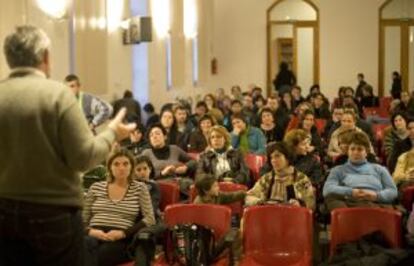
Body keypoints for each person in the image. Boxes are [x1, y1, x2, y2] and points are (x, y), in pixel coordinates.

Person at [0, 25, 136, 266]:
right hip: (53, 214)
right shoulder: (57, 95)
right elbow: (83, 157)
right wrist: (112, 132)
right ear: (45, 57)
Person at [84, 149, 155, 266]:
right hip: (93, 234)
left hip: (121, 239)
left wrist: (123, 233)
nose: (121, 168)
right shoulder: (96, 187)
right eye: (116, 164)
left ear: (131, 166)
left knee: (100, 255)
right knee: (84, 247)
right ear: (110, 168)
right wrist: (90, 231)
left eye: (125, 164)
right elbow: (83, 219)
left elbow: (150, 219)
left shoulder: (140, 188)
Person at [323, 131, 398, 211]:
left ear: (366, 152)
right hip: (348, 202)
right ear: (348, 151)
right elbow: (327, 189)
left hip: (374, 202)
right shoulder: (338, 170)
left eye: (360, 149)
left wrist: (376, 195)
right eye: (352, 149)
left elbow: (393, 191)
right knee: (331, 197)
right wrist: (351, 192)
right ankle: (349, 217)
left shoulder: (379, 169)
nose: (355, 152)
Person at [245, 142, 315, 209]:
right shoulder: (266, 179)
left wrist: (299, 204)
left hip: (292, 218)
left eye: (277, 156)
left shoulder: (301, 179)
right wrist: (260, 202)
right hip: (268, 217)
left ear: (287, 158)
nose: (273, 160)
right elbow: (249, 196)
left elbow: (311, 204)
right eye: (271, 157)